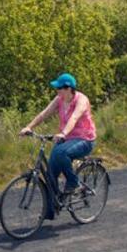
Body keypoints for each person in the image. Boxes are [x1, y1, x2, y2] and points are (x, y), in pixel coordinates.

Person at [20, 73, 97, 220]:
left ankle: (73, 182)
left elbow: (74, 118)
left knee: (61, 153)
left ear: (68, 88)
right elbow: (44, 114)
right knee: (50, 173)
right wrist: (28, 127)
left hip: (84, 139)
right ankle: (50, 209)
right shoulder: (60, 99)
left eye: (59, 88)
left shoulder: (81, 100)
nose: (57, 91)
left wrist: (63, 133)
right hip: (67, 139)